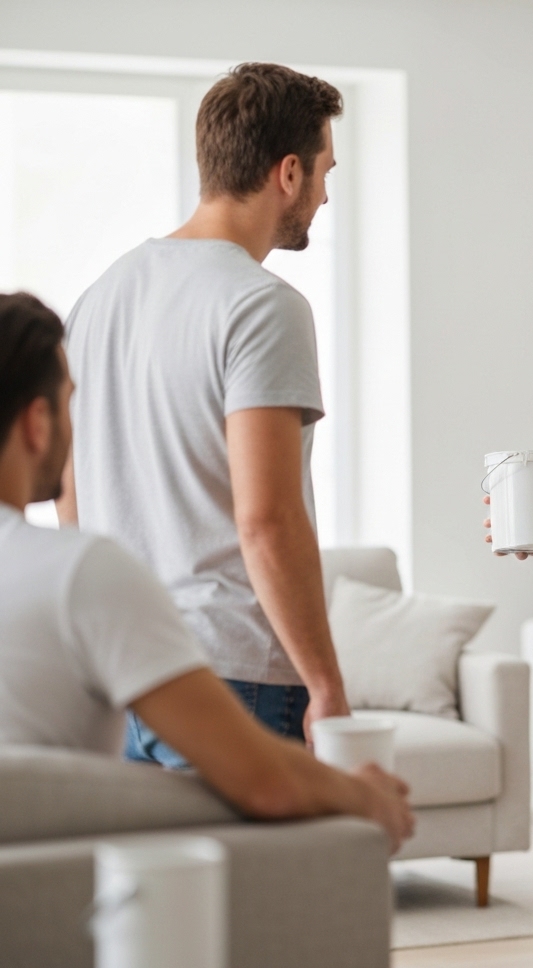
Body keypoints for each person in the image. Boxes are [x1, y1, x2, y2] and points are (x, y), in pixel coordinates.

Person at [0, 292, 414, 851]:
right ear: (38, 422)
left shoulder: (102, 297)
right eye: (71, 403)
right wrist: (366, 796)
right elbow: (265, 783)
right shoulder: (80, 572)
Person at [59, 63, 350, 766]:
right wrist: (326, 684)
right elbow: (268, 520)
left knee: (158, 878)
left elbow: (71, 498)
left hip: (125, 667)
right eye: (323, 173)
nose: (325, 195)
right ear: (288, 173)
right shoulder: (262, 305)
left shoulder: (99, 298)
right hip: (234, 672)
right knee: (256, 879)